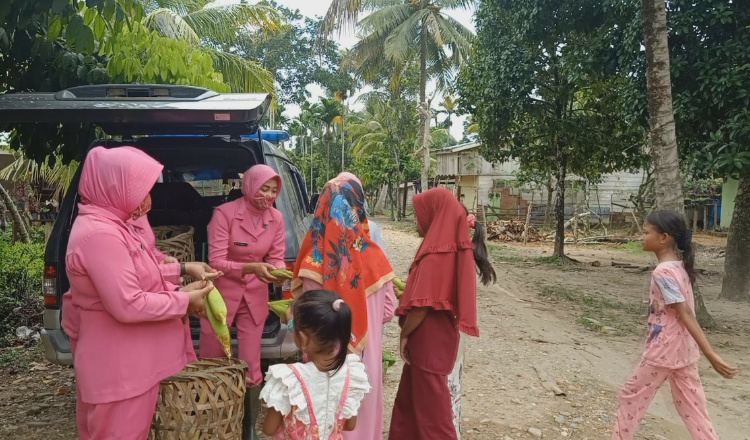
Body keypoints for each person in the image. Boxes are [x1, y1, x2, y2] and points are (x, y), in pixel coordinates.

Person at [62, 146, 214, 440]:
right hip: (120, 369)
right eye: (141, 190)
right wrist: (184, 300)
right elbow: (128, 303)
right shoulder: (100, 235)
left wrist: (181, 273)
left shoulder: (116, 223)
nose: (148, 198)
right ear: (114, 187)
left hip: (130, 364)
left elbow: (140, 270)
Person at [611, 210, 738, 440]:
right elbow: (685, 311)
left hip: (664, 350)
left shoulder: (663, 272)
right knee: (693, 408)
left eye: (646, 232)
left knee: (630, 396)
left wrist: (711, 353)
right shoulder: (679, 267)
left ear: (663, 237)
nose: (642, 236)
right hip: (684, 350)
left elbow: (685, 312)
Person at [291, 172, 396, 440]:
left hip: (323, 357)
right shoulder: (374, 255)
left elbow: (305, 314)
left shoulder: (313, 254)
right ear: (359, 204)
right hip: (365, 356)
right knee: (360, 414)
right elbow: (387, 311)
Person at [389, 187, 496, 440]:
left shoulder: (437, 254)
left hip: (428, 342)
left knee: (433, 417)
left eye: (419, 215)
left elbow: (423, 305)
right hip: (436, 341)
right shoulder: (448, 249)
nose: (417, 221)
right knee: (410, 403)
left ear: (434, 216)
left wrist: (404, 334)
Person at [201, 164, 286, 385]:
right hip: (221, 293)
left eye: (273, 190)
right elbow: (216, 262)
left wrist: (277, 272)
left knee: (251, 361)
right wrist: (250, 268)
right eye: (263, 188)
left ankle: (247, 408)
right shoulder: (224, 214)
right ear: (249, 185)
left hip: (255, 294)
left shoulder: (276, 217)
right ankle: (208, 399)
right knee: (212, 356)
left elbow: (276, 255)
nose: (268, 195)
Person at [258, 290, 370, 439]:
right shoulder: (352, 374)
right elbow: (350, 425)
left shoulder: (289, 379)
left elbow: (269, 428)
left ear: (302, 338)